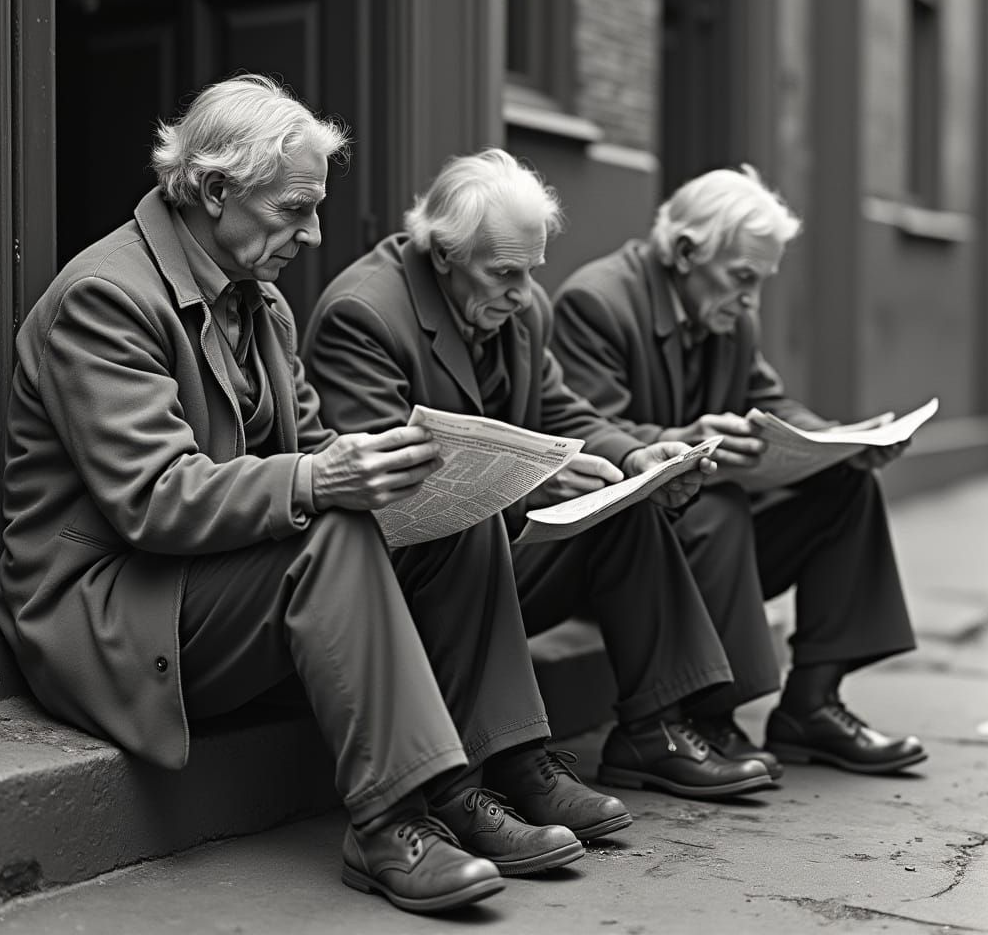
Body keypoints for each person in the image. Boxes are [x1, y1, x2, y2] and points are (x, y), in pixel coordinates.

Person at [0, 75, 599, 917]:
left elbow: (310, 449)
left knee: (455, 521)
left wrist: (396, 473)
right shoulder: (106, 296)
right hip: (112, 609)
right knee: (330, 529)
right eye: (292, 210)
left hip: (206, 583)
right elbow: (153, 499)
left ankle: (471, 782)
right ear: (212, 190)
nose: (313, 233)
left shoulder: (262, 302)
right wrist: (322, 477)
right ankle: (391, 822)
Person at [302, 147, 778, 812]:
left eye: (532, 271)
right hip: (413, 583)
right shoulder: (364, 315)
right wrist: (532, 487)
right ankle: (512, 763)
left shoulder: (520, 305)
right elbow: (395, 492)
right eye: (504, 274)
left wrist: (634, 456)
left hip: (499, 563)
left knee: (626, 502)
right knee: (486, 527)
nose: (524, 294)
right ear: (442, 256)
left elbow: (562, 410)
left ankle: (655, 730)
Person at [550, 164, 927, 777]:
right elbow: (583, 430)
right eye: (743, 277)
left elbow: (768, 401)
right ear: (684, 251)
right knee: (717, 504)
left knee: (848, 483)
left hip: (710, 539)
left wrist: (838, 440)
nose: (752, 299)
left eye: (761, 281)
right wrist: (678, 440)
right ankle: (702, 713)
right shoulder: (596, 302)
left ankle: (812, 704)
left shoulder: (730, 314)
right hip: (625, 554)